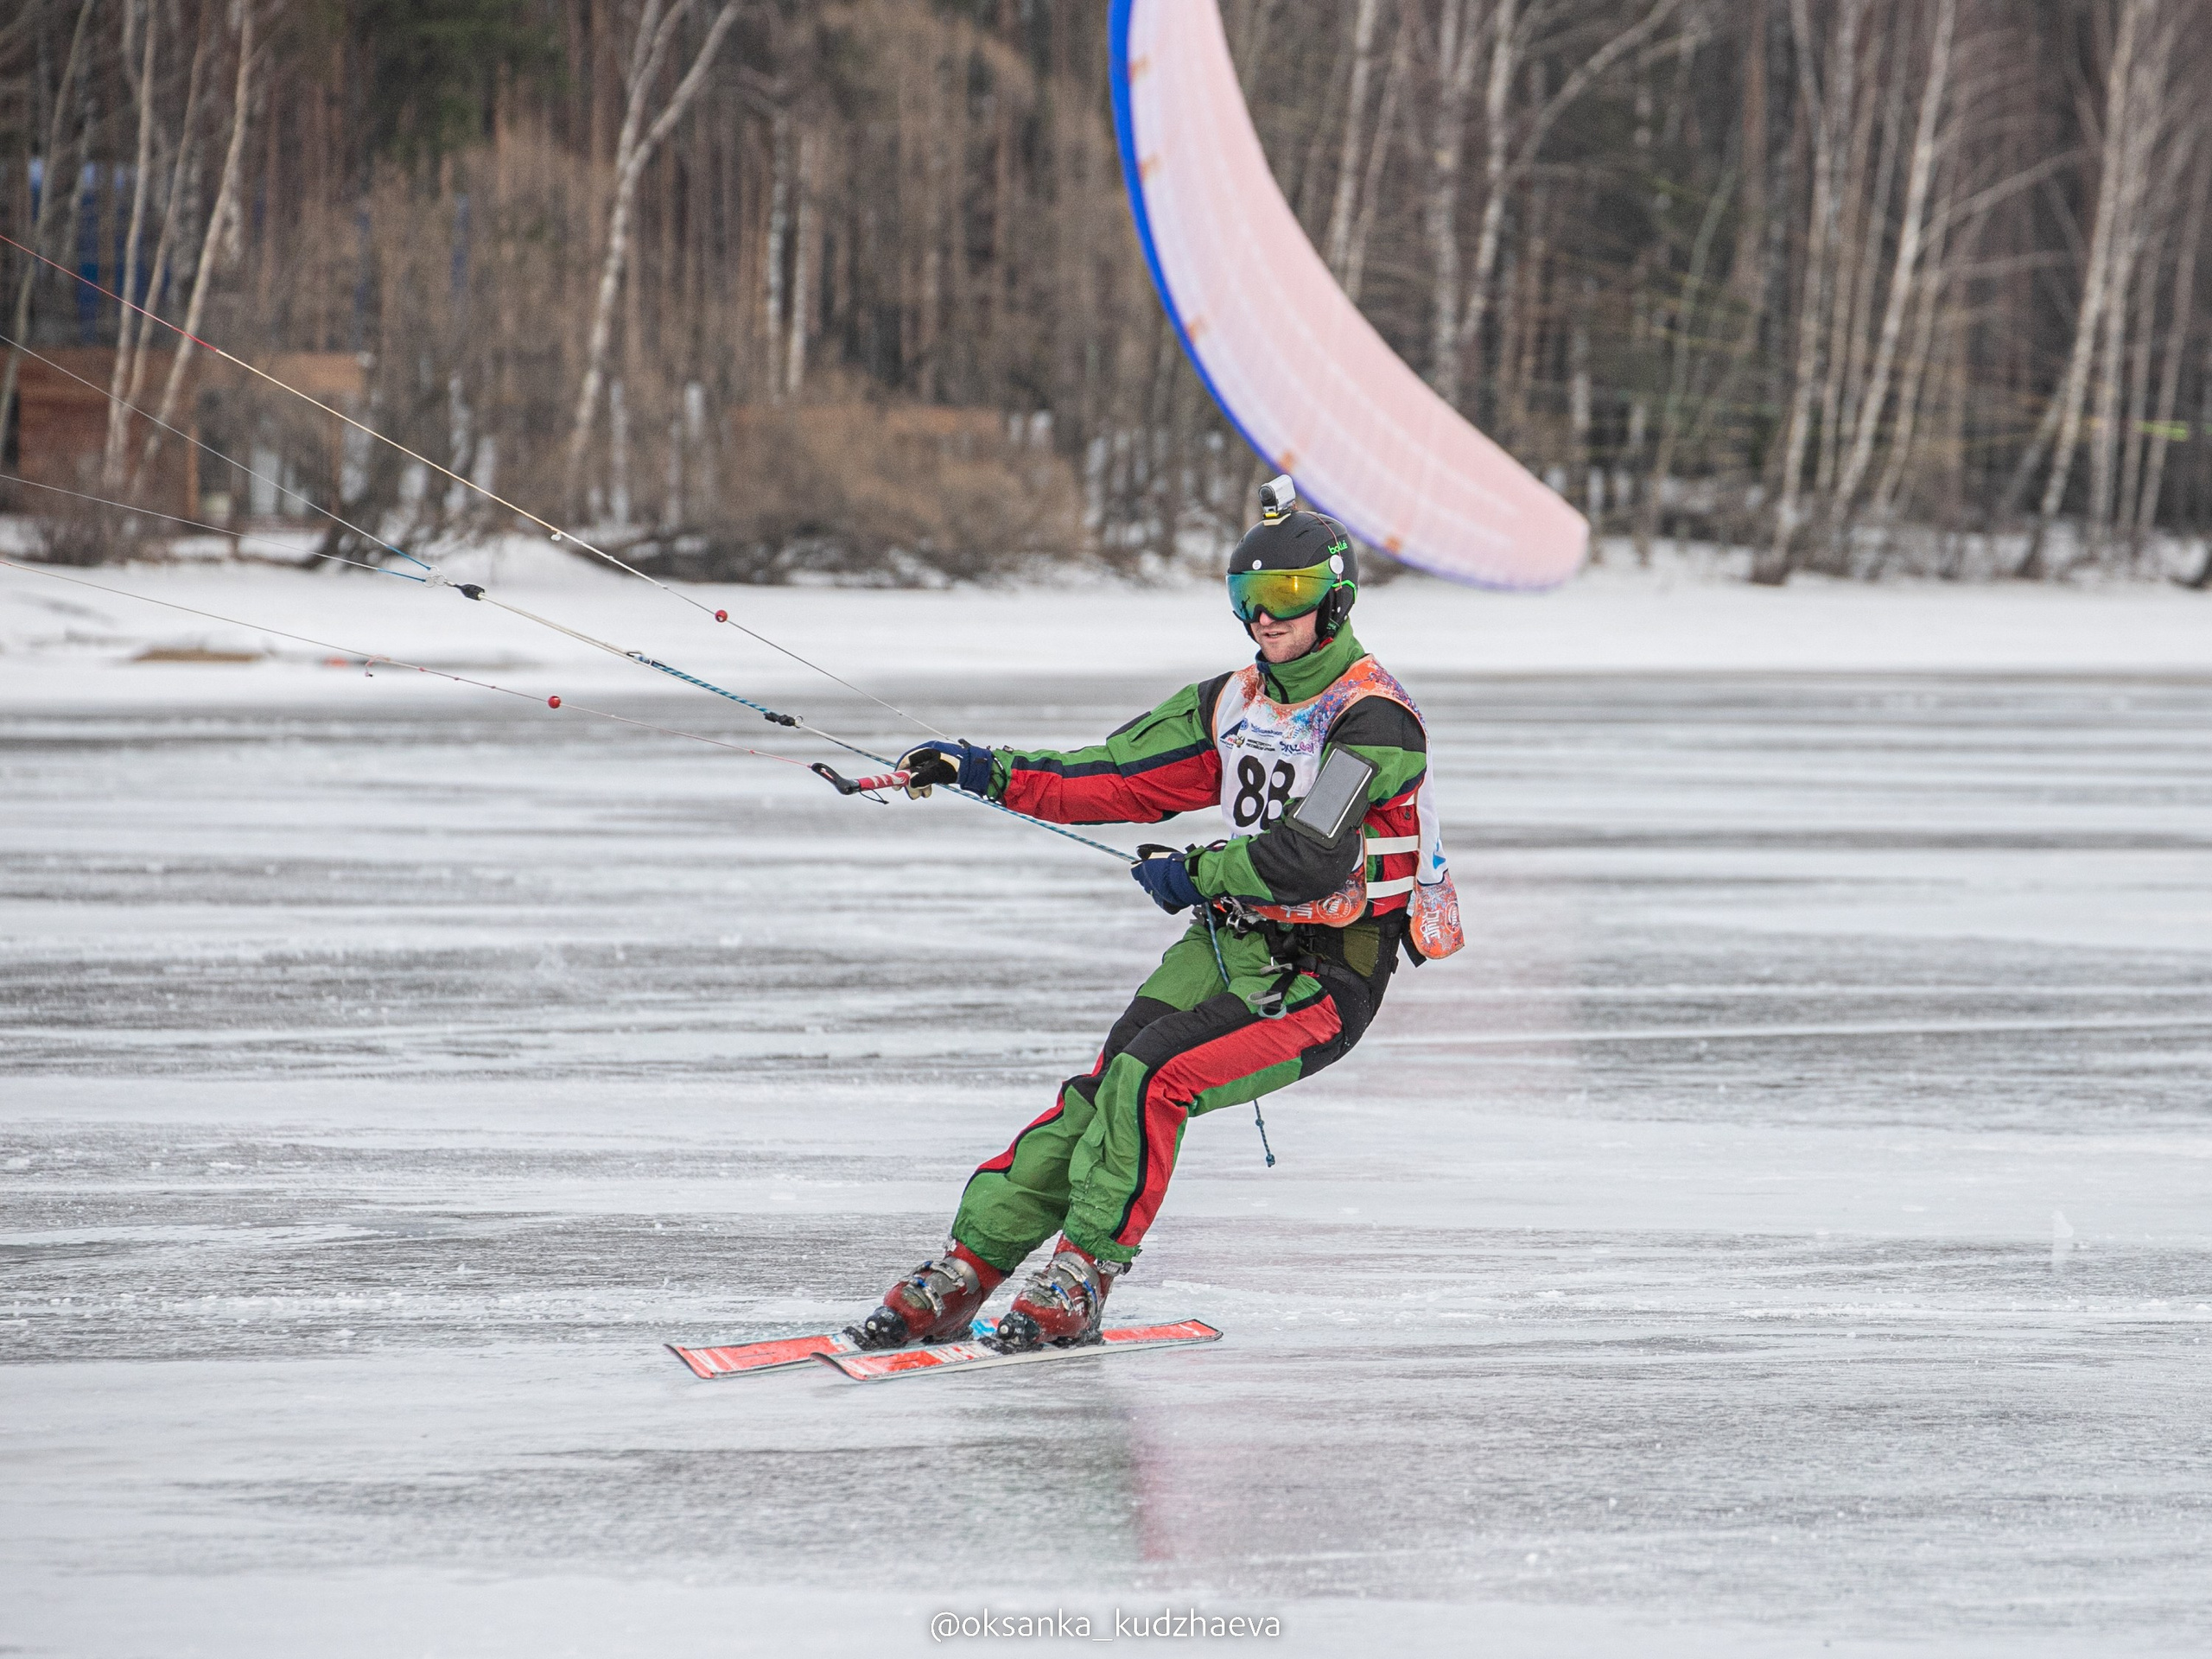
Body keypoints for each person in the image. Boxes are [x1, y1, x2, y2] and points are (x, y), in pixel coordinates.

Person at [850, 476, 1463, 1354]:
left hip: (1329, 973)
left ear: (1336, 599)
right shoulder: (1232, 701)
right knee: (1103, 1091)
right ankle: (967, 1271)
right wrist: (981, 770)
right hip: (1229, 942)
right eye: (1247, 596)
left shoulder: (1375, 720)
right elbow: (1115, 778)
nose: (1265, 617)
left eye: (1287, 594)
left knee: (1153, 1077)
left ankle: (1082, 1277)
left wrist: (1199, 870)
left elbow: (1312, 855)